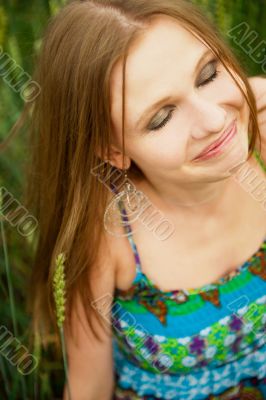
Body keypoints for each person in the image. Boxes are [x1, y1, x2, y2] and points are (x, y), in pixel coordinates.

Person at [22, 0, 266, 399]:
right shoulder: (108, 237)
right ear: (112, 150)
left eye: (208, 74)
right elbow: (89, 389)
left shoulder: (258, 130)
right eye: (161, 117)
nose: (215, 120)